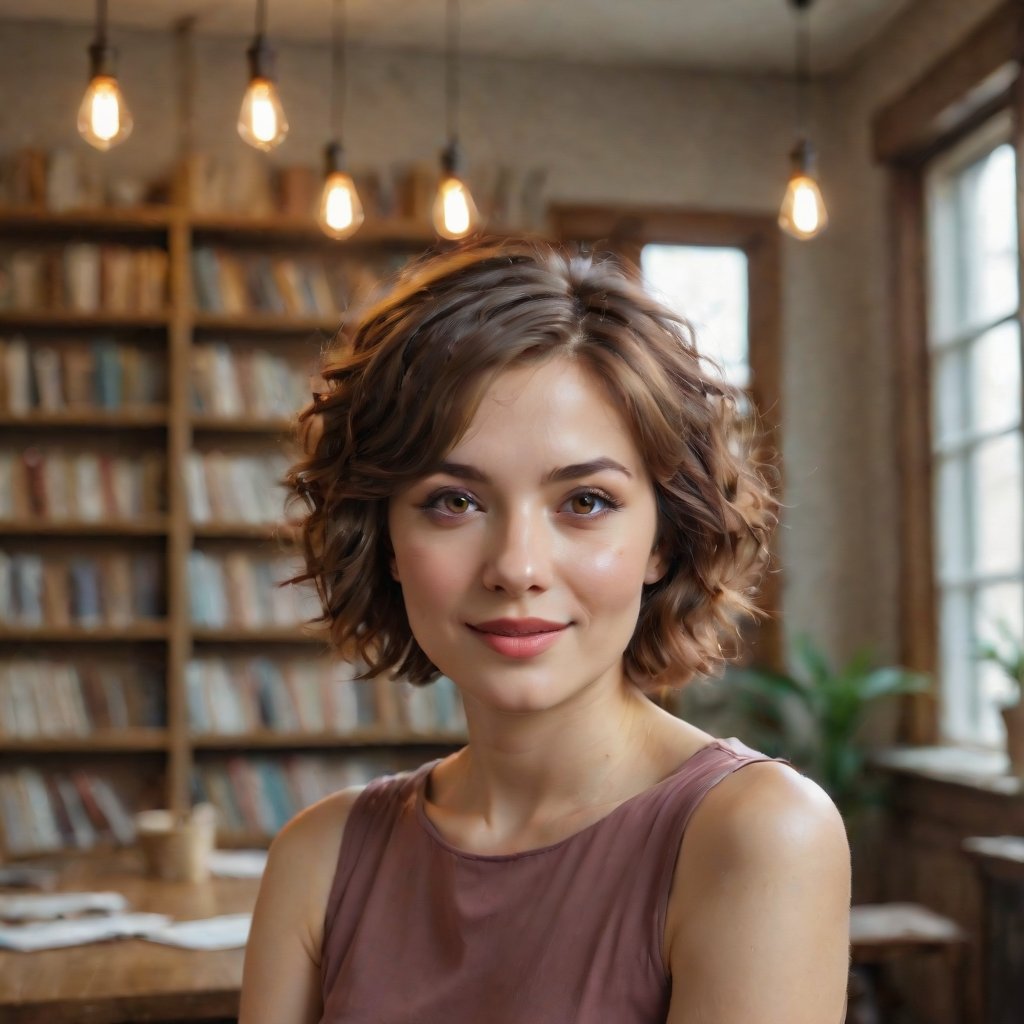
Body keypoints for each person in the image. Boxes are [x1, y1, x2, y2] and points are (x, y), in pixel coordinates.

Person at [238, 238, 851, 1024]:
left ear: (662, 541)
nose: (517, 567)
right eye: (453, 501)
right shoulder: (315, 859)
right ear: (384, 537)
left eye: (585, 501)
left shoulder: (758, 835)